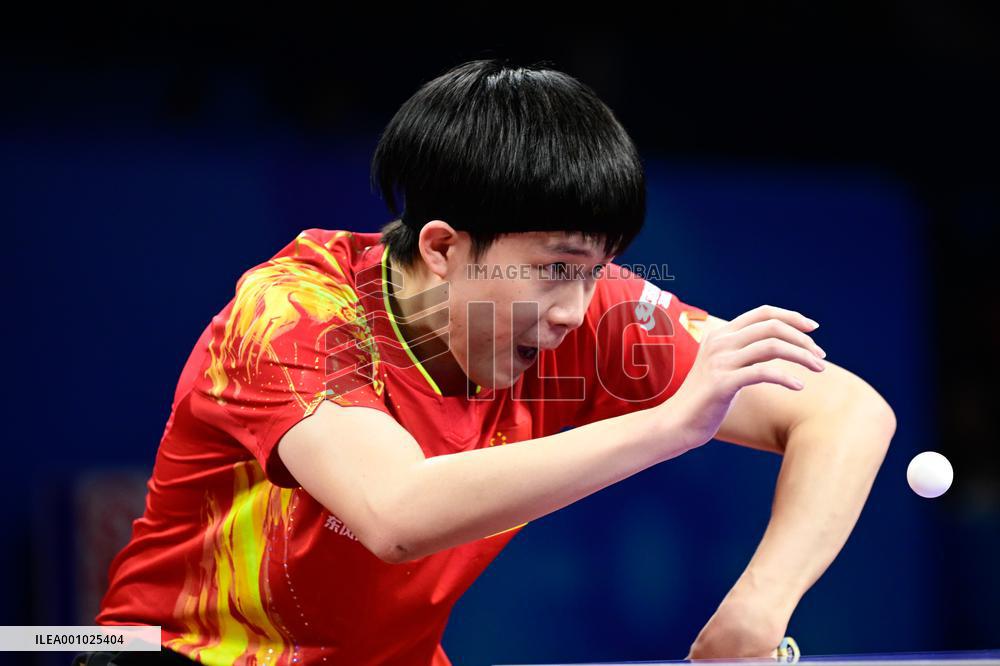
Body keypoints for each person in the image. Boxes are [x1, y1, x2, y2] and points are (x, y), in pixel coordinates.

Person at [82, 59, 896, 665]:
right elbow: (396, 514)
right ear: (442, 245)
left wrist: (758, 606)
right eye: (554, 268)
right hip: (180, 655)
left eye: (595, 269)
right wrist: (673, 424)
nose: (577, 309)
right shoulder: (293, 315)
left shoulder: (580, 309)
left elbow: (846, 411)